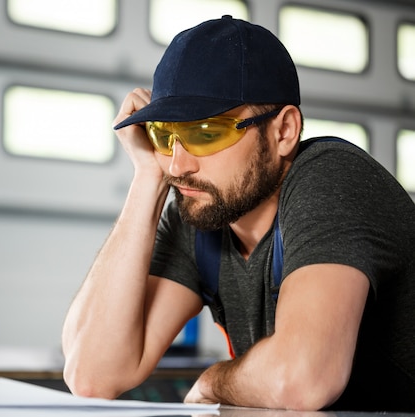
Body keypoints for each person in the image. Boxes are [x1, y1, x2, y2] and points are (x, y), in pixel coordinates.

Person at [61, 15, 415, 412]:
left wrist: (215, 381)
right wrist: (147, 179)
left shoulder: (331, 179)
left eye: (207, 133)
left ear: (284, 131)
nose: (177, 166)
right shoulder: (200, 210)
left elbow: (301, 379)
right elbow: (92, 376)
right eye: (164, 135)